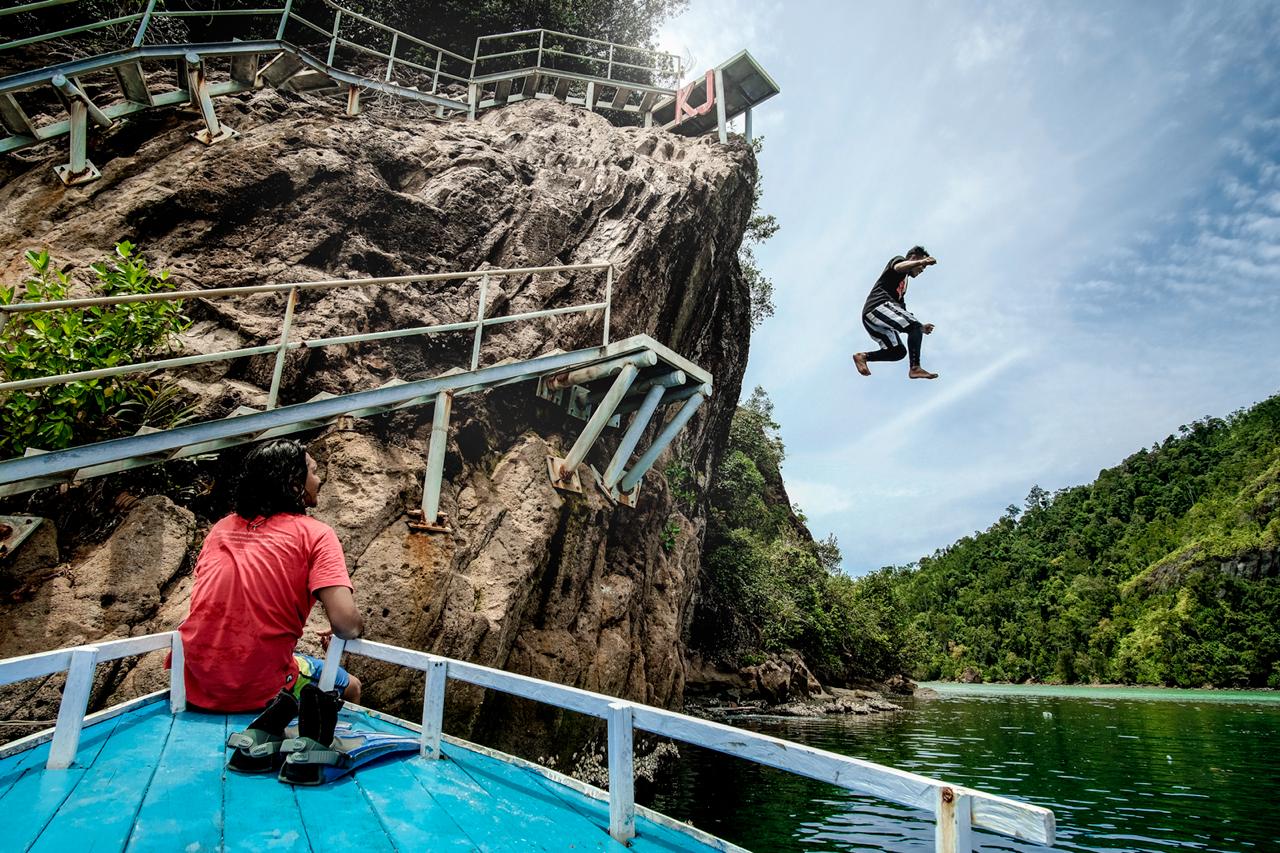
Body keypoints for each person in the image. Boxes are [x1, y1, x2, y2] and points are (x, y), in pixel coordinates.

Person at [177, 439, 364, 713]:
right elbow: (346, 624)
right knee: (352, 687)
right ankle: (315, 748)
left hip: (194, 679)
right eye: (312, 471)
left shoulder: (222, 527)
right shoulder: (316, 534)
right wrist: (357, 626)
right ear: (293, 484)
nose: (319, 478)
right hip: (257, 687)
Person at [852, 246, 939, 380]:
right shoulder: (899, 261)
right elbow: (898, 267)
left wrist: (920, 327)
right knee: (913, 326)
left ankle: (863, 357)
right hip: (877, 306)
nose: (921, 270)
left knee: (898, 352)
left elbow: (901, 312)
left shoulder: (903, 286)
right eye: (921, 267)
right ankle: (915, 368)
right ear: (914, 257)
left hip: (875, 317)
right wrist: (923, 261)